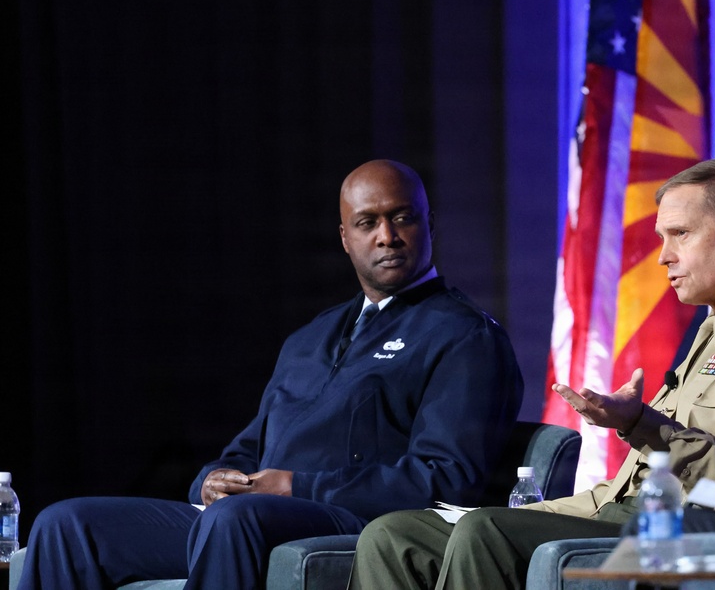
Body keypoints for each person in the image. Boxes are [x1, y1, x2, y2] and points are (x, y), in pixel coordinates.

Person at [347, 158, 715, 590]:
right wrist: (537, 512)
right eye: (663, 237)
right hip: (621, 515)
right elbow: (622, 488)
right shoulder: (714, 331)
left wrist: (642, 424)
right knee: (395, 536)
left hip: (687, 536)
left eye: (680, 234)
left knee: (489, 536)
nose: (663, 256)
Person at [17, 160, 524, 589]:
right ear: (345, 238)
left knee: (236, 519)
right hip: (239, 515)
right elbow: (249, 450)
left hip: (357, 522)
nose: (387, 236)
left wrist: (299, 488)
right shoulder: (311, 337)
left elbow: (446, 480)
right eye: (368, 223)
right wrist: (211, 482)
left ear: (429, 224)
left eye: (402, 218)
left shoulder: (464, 336)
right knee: (67, 524)